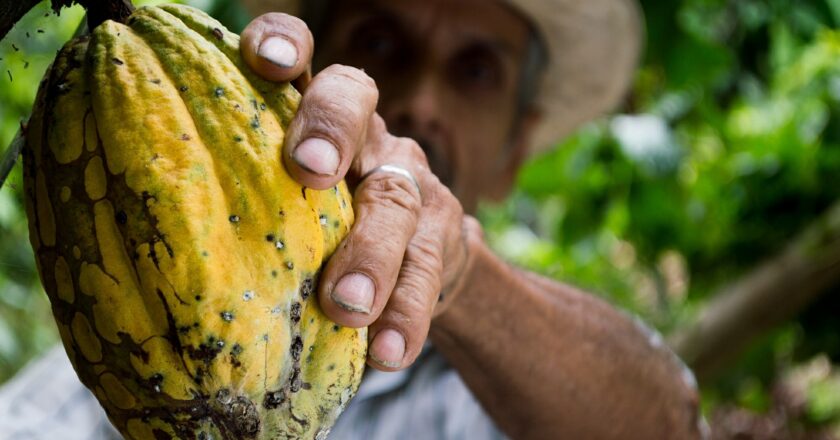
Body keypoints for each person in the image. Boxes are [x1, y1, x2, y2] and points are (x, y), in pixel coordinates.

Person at [0, 0, 706, 438]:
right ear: (300, 62)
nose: (423, 100)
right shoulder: (133, 333)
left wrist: (455, 275)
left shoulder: (506, 393)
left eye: (475, 71)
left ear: (515, 151)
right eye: (380, 41)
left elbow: (666, 425)